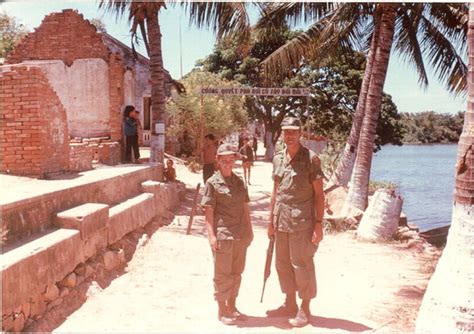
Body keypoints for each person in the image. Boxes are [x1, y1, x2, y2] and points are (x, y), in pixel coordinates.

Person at [266, 117, 325, 327]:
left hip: (302, 222)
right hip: (281, 220)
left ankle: (305, 307)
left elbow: (319, 195)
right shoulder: (278, 158)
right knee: (282, 263)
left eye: (293, 131)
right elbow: (275, 192)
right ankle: (289, 303)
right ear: (282, 133)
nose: (289, 135)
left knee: (302, 264)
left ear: (300, 133)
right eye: (286, 131)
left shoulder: (311, 158)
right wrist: (270, 220)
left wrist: (319, 224)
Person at [201, 143, 254, 326]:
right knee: (222, 273)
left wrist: (250, 230)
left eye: (231, 160)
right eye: (224, 160)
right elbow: (208, 211)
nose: (228, 163)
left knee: (236, 272)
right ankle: (222, 310)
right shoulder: (212, 183)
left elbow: (245, 206)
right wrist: (211, 235)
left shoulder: (239, 182)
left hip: (240, 234)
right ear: (218, 161)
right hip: (223, 235)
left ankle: (232, 306)